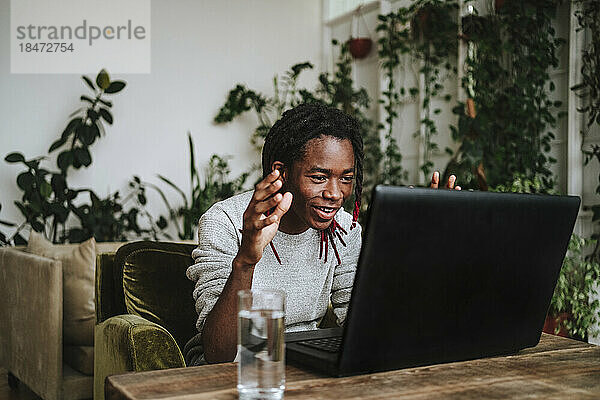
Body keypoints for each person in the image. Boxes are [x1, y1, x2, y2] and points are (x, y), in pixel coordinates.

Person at [183, 103, 459, 366]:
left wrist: (415, 250)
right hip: (235, 368)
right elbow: (219, 352)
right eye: (318, 177)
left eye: (346, 178)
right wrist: (246, 260)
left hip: (304, 363)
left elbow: (367, 327)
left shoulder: (344, 228)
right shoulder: (225, 221)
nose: (335, 194)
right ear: (281, 172)